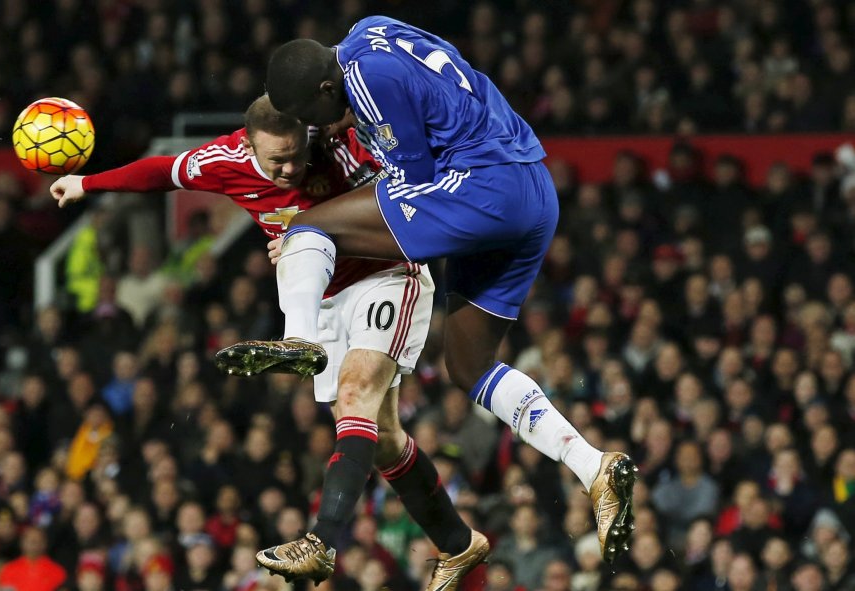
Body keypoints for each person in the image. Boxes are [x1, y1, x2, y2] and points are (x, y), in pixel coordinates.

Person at [213, 15, 637, 583]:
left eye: (313, 118)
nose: (318, 130)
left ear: (323, 88)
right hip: (531, 184)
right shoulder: (371, 29)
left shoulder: (363, 81)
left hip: (483, 188)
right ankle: (594, 467)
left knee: (307, 228)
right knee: (467, 365)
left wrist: (313, 228)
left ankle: (299, 340)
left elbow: (411, 180)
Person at [51, 95, 480, 587]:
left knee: (354, 397)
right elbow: (161, 171)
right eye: (278, 159)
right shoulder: (223, 161)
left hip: (387, 277)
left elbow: (408, 192)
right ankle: (459, 545)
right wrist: (86, 182)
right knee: (380, 439)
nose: (292, 168)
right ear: (249, 144)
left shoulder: (336, 143)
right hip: (326, 298)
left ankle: (321, 542)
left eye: (297, 154)